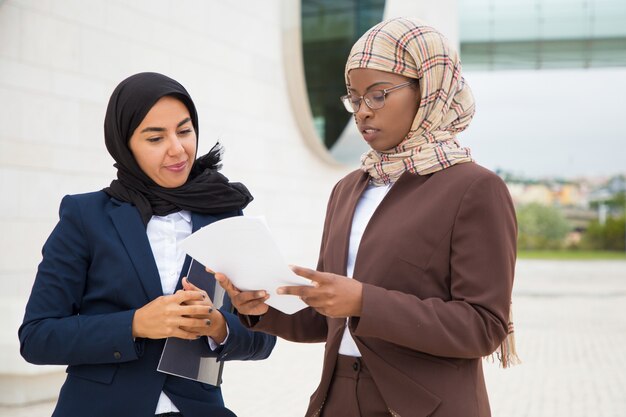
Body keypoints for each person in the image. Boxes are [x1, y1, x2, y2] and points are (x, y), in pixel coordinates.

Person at [214, 17, 519, 417]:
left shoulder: (473, 188)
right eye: (354, 99)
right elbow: (326, 320)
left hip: (428, 405)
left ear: (427, 89)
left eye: (377, 95)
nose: (362, 113)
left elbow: (483, 326)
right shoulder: (349, 188)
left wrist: (364, 301)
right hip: (337, 398)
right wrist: (260, 308)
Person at [18, 72, 276, 417]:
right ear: (126, 145)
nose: (177, 148)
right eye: (155, 138)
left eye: (185, 131)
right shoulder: (86, 216)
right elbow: (37, 337)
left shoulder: (225, 212)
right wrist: (136, 323)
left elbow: (264, 339)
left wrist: (218, 325)